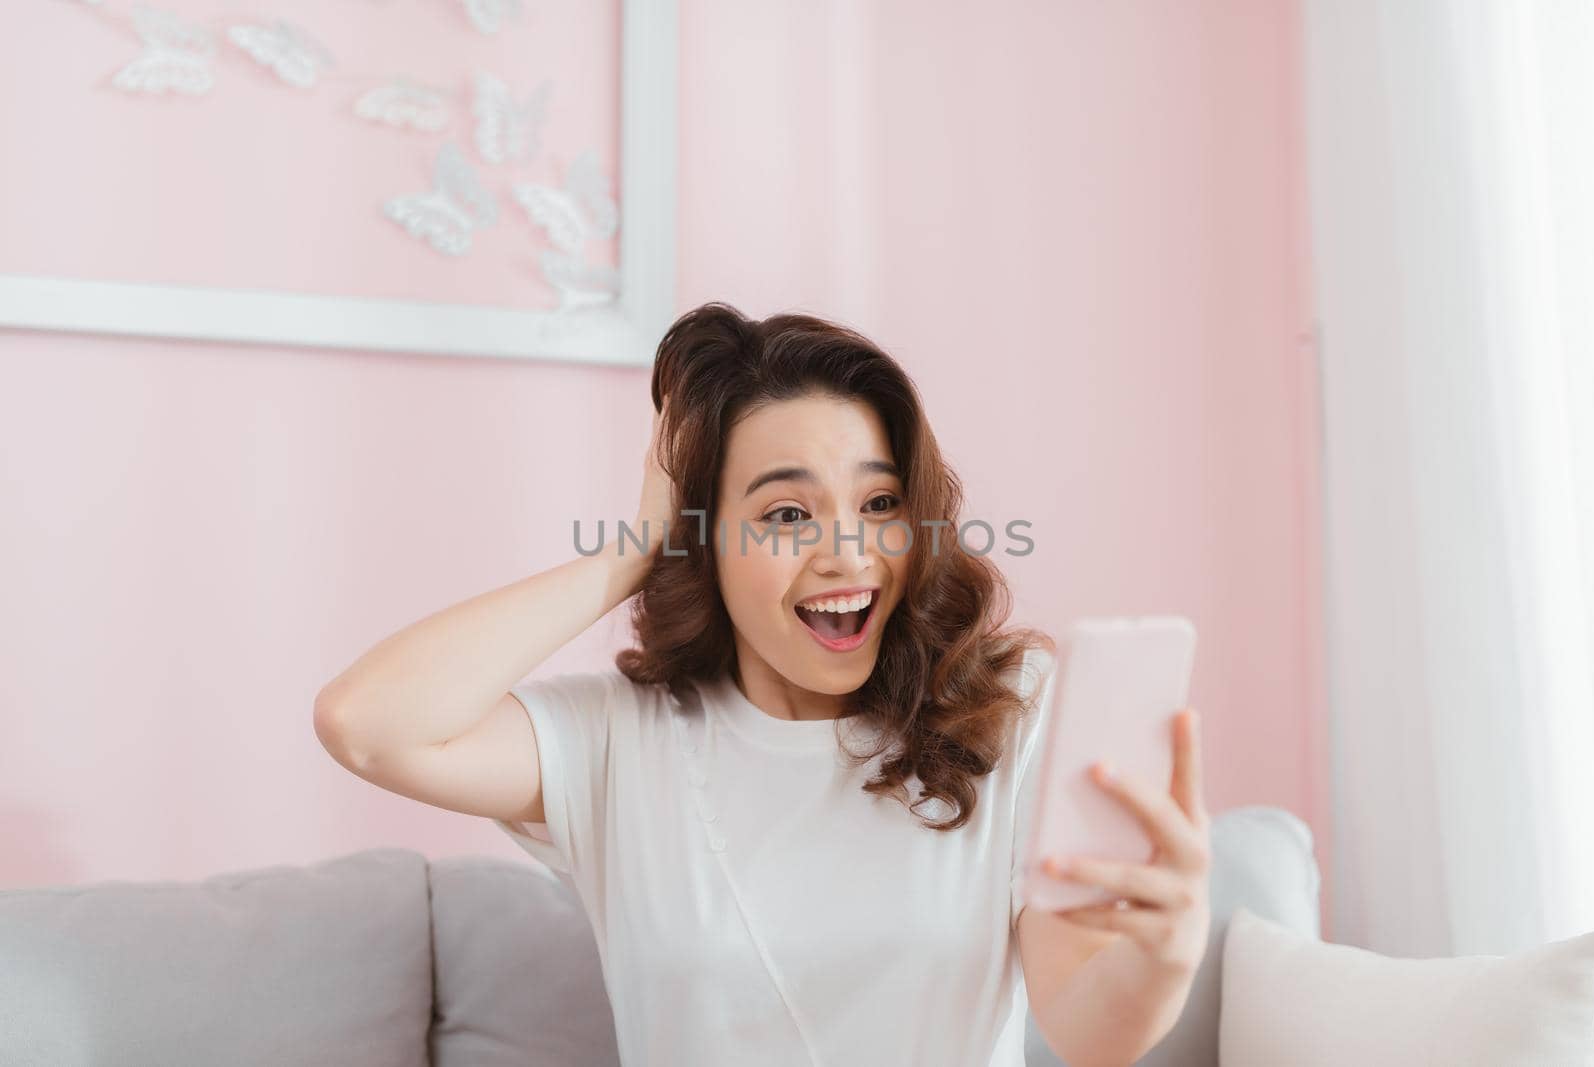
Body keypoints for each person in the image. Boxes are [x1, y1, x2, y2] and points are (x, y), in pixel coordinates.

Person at [313, 302, 1212, 1067]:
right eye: (788, 513)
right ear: (704, 538)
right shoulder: (619, 742)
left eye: (880, 502)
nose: (849, 554)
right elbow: (367, 724)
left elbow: (1089, 1027)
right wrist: (633, 549)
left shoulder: (1007, 715)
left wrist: (1161, 957)